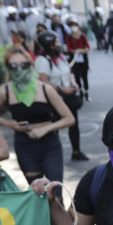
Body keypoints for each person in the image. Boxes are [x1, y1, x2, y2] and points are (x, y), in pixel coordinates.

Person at [0, 48, 75, 192]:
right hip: (25, 145)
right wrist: (10, 125)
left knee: (55, 192)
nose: (19, 69)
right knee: (37, 194)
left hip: (49, 144)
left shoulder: (45, 89)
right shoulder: (5, 90)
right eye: (13, 65)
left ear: (30, 64)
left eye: (24, 65)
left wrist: (45, 128)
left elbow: (69, 119)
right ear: (8, 67)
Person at [36, 31, 88, 161]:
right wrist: (61, 89)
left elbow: (68, 72)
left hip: (68, 98)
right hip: (54, 100)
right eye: (57, 42)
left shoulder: (60, 56)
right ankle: (54, 156)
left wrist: (74, 84)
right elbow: (43, 80)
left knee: (73, 124)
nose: (60, 44)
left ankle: (76, 151)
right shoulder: (42, 60)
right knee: (55, 128)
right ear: (50, 44)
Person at [66, 20, 91, 100]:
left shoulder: (82, 36)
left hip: (83, 59)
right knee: (76, 76)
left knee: (85, 76)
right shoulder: (69, 37)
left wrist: (82, 50)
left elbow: (87, 47)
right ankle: (80, 92)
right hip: (74, 60)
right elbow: (69, 49)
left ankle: (86, 92)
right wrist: (76, 51)